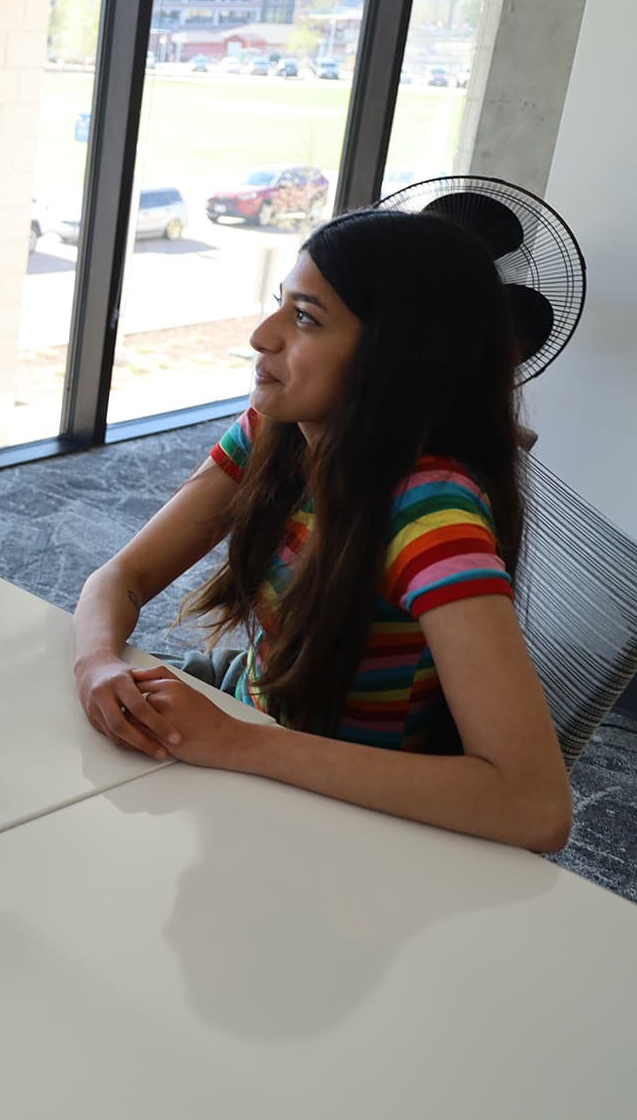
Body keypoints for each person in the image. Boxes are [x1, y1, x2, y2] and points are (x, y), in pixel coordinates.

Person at [71, 208, 571, 851]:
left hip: (340, 813)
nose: (260, 335)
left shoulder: (429, 515)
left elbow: (534, 805)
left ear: (398, 356)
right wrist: (96, 663)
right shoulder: (276, 433)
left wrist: (235, 742)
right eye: (279, 304)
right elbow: (123, 577)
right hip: (248, 717)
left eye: (305, 318)